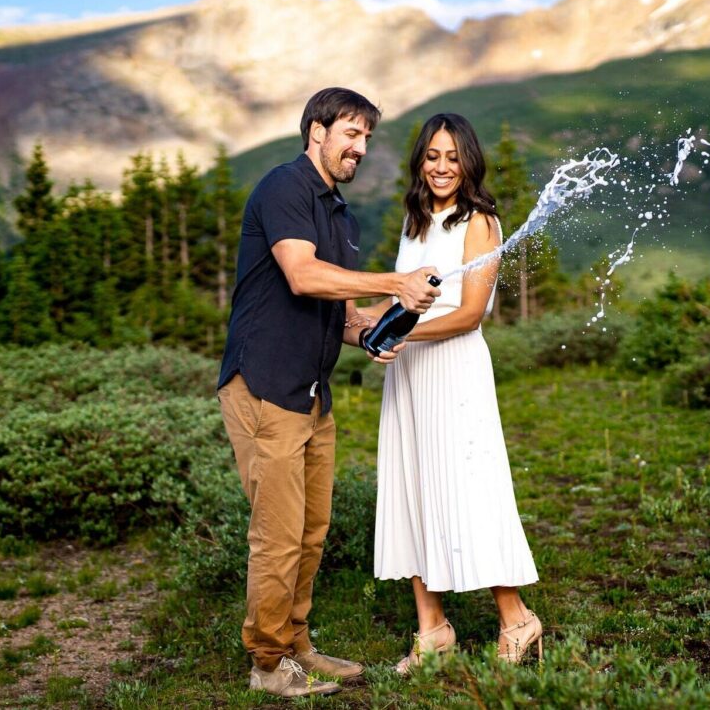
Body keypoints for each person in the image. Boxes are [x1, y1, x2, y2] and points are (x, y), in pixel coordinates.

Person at [216, 87, 441, 698]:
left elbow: (337, 311)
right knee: (278, 534)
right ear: (316, 131)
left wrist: (378, 324)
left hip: (313, 395)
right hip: (265, 386)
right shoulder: (284, 187)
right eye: (351, 133)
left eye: (367, 137)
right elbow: (301, 274)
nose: (361, 146)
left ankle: (297, 645)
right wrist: (395, 278)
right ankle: (267, 665)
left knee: (311, 532)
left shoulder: (339, 212)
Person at [355, 113, 541, 673]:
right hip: (408, 377)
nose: (441, 167)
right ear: (420, 162)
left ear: (469, 162)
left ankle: (517, 618)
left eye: (453, 157)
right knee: (412, 484)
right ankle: (432, 627)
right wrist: (366, 321)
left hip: (454, 370)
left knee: (469, 487)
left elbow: (467, 314)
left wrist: (397, 336)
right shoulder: (415, 221)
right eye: (432, 156)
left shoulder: (479, 222)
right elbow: (403, 298)